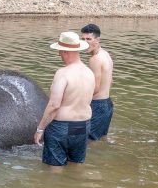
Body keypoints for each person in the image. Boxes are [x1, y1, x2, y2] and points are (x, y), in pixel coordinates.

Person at [33, 31, 96, 168]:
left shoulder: (63, 74)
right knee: (76, 165)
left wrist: (40, 129)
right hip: (83, 126)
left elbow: (54, 105)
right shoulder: (89, 73)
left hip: (61, 127)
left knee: (56, 169)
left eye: (60, 51)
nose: (59, 54)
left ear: (65, 51)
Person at [80, 24, 114, 140]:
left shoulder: (94, 59)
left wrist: (79, 101)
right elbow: (110, 82)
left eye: (89, 39)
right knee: (100, 139)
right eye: (83, 39)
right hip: (107, 104)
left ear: (98, 40)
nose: (85, 42)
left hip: (97, 106)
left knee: (87, 140)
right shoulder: (106, 54)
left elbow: (96, 88)